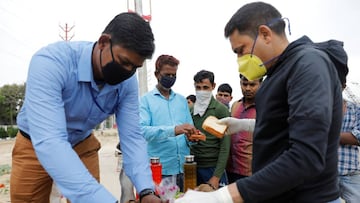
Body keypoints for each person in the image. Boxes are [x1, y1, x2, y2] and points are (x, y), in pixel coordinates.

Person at [176, 2, 344, 203]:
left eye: (241, 50)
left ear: (265, 34)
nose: (240, 60)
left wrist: (221, 197)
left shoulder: (308, 65)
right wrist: (244, 125)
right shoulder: (278, 72)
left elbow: (306, 156)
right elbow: (288, 127)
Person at [11, 12, 162, 203]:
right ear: (103, 42)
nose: (128, 72)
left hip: (82, 142)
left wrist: (147, 190)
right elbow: (51, 141)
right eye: (124, 62)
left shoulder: (127, 81)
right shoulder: (50, 63)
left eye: (135, 67)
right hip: (34, 143)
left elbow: (132, 136)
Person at [140, 54, 197, 192]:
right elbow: (143, 131)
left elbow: (189, 129)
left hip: (184, 168)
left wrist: (193, 137)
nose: (171, 78)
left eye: (174, 75)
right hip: (161, 169)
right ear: (156, 74)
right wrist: (174, 130)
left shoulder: (182, 100)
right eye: (167, 74)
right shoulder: (146, 100)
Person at [190, 70, 230, 189]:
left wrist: (217, 176)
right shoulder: (191, 110)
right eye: (198, 87)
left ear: (213, 86)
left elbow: (225, 146)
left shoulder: (220, 110)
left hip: (213, 167)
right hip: (194, 166)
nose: (202, 91)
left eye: (205, 87)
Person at [226, 74, 262, 183]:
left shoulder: (265, 107)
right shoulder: (235, 105)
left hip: (252, 171)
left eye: (252, 84)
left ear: (261, 84)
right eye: (244, 84)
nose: (247, 88)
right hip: (230, 168)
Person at [338, 83, 360, 202]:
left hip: (350, 173)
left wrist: (328, 135)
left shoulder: (355, 109)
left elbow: (358, 138)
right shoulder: (315, 108)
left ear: (343, 86)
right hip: (322, 174)